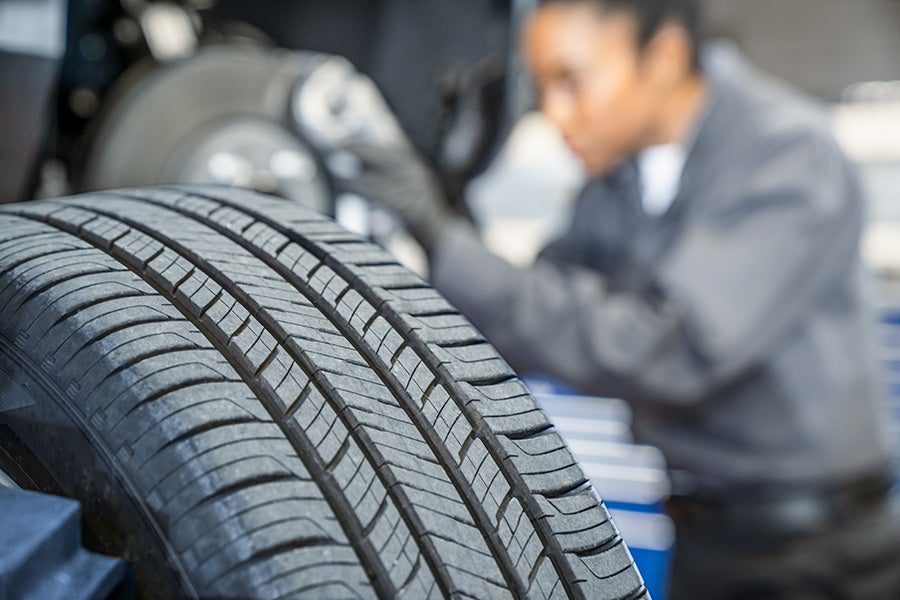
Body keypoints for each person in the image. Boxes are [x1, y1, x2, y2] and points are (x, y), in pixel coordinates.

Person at [299, 0, 900, 597]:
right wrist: (441, 213)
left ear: (662, 56)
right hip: (707, 540)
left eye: (572, 80)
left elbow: (672, 351)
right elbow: (530, 314)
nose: (556, 114)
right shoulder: (621, 176)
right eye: (540, 87)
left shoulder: (784, 154)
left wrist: (442, 236)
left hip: (821, 559)